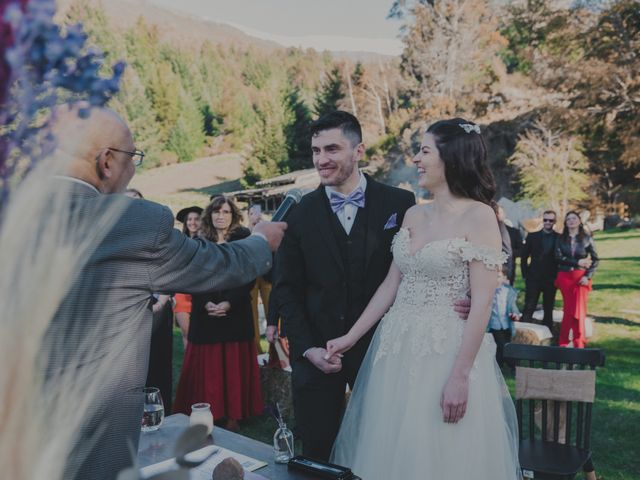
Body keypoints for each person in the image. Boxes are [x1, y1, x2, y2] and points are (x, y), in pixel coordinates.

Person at [44, 103, 286, 480]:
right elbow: (216, 265)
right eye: (133, 157)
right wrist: (260, 241)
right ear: (107, 161)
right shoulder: (133, 222)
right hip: (91, 446)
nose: (133, 167)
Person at [325, 118, 520, 479]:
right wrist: (351, 338)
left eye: (424, 151)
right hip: (395, 349)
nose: (416, 159)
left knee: (440, 454)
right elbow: (390, 285)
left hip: (446, 352)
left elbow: (481, 303)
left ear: (452, 158)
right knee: (390, 449)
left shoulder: (479, 216)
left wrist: (460, 375)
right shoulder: (413, 213)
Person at [276, 111, 472, 460]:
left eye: (332, 149)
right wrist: (308, 350)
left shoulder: (399, 204)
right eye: (316, 150)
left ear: (359, 150)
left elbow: (423, 266)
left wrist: (463, 295)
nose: (322, 159)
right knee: (317, 452)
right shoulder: (299, 213)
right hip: (318, 353)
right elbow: (286, 290)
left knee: (382, 451)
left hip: (386, 354)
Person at [173, 196, 263, 432]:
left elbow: (249, 274)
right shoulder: (200, 241)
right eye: (216, 211)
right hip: (206, 315)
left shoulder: (244, 238)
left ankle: (234, 414)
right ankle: (209, 411)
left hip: (236, 312)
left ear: (233, 214)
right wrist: (206, 303)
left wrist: (228, 304)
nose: (220, 216)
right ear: (209, 215)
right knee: (210, 367)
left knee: (233, 365)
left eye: (225, 211)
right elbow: (193, 276)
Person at [555, 210, 599, 348]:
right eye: (568, 219)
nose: (571, 221)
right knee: (568, 310)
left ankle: (579, 341)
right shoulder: (560, 239)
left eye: (574, 218)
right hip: (565, 278)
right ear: (566, 222)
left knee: (579, 310)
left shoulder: (587, 238)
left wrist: (587, 276)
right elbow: (558, 257)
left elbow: (596, 260)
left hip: (581, 279)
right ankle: (563, 342)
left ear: (579, 221)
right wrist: (577, 262)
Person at [521, 210, 559, 330]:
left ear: (555, 222)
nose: (547, 222)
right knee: (529, 307)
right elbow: (523, 257)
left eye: (550, 220)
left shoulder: (559, 238)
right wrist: (525, 275)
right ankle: (523, 334)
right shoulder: (532, 236)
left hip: (551, 279)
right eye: (545, 220)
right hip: (533, 278)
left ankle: (548, 335)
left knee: (548, 308)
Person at [174, 205, 203, 347]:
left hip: (202, 292)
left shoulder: (208, 241)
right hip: (182, 293)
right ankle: (190, 367)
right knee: (186, 332)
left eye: (197, 219)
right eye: (189, 219)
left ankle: (202, 365)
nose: (193, 222)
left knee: (200, 334)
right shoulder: (179, 242)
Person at [248, 204, 271, 354]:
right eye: (252, 213)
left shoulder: (269, 231)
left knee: (273, 311)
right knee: (252, 314)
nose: (256, 216)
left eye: (259, 213)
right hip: (250, 278)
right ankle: (256, 352)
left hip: (267, 276)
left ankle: (279, 350)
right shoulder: (244, 232)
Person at [488, 265, 520, 367]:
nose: (496, 279)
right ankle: (513, 365)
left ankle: (499, 365)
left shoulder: (509, 292)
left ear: (504, 278)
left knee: (502, 346)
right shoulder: (488, 291)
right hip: (494, 324)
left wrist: (515, 314)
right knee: (503, 345)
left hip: (507, 324)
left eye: (498, 276)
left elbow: (512, 306)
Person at [497, 206, 523, 285]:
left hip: (508, 268)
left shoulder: (514, 232)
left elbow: (521, 250)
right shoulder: (486, 231)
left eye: (500, 213)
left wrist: (507, 254)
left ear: (504, 215)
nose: (498, 215)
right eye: (496, 213)